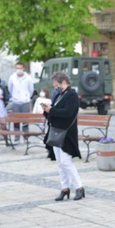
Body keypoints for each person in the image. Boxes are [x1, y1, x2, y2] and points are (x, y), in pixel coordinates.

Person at [42, 72, 84, 201]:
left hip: (66, 133)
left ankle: (79, 187)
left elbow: (68, 113)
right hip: (56, 131)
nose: (56, 87)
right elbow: (55, 111)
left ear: (64, 82)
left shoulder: (72, 95)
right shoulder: (59, 95)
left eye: (57, 85)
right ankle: (64, 188)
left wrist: (52, 110)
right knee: (60, 163)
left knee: (66, 162)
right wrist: (47, 110)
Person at [8, 62, 34, 136]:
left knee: (25, 121)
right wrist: (15, 96)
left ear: (23, 68)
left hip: (25, 102)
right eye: (17, 68)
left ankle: (26, 137)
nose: (19, 70)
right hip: (16, 102)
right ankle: (17, 137)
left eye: (20, 68)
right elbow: (10, 88)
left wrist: (27, 96)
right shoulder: (12, 78)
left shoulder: (28, 78)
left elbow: (31, 89)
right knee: (16, 121)